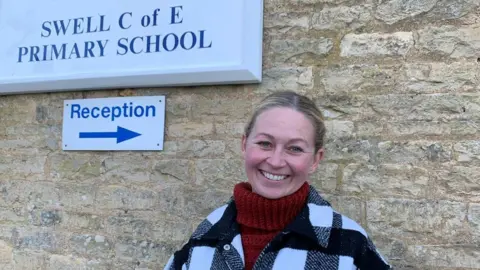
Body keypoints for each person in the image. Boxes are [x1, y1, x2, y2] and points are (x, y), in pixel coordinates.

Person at [164, 91, 391, 270]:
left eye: (294, 148)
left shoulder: (350, 243)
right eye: (265, 143)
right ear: (244, 145)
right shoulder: (205, 234)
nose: (275, 161)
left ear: (315, 159)